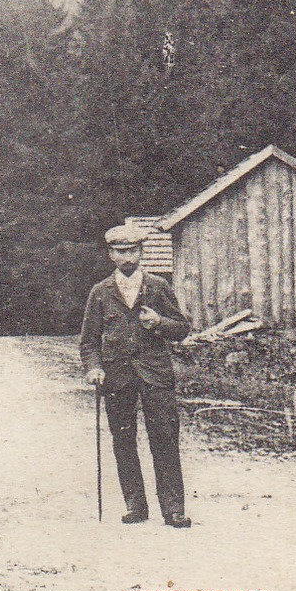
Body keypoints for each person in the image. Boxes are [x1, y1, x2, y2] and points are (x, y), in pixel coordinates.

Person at [79, 224, 194, 528]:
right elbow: (89, 341)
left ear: (141, 252)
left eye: (132, 250)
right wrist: (94, 367)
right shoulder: (100, 292)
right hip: (117, 377)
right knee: (123, 439)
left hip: (155, 375)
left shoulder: (158, 287)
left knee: (165, 437)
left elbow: (182, 328)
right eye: (120, 251)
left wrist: (159, 322)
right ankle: (135, 505)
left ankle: (173, 510)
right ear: (111, 254)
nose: (127, 257)